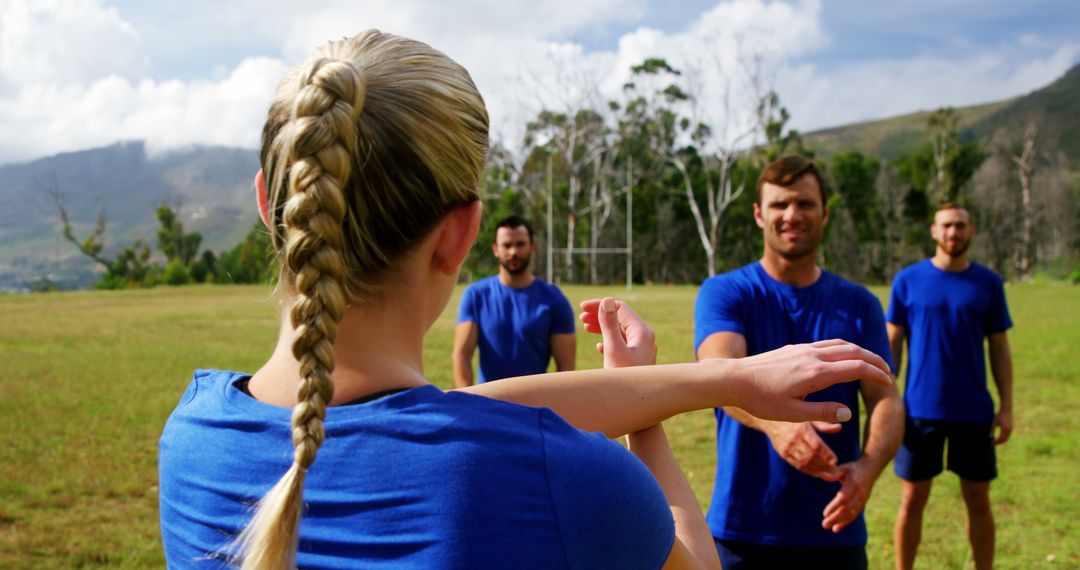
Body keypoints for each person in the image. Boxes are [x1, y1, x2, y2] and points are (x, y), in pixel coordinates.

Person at [157, 31, 893, 569]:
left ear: (268, 203)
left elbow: (461, 416)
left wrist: (708, 381)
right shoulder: (560, 479)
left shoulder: (189, 437)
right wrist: (649, 426)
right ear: (462, 236)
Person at [694, 155, 904, 569]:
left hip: (835, 529)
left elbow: (886, 400)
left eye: (805, 204)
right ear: (758, 214)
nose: (792, 215)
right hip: (743, 528)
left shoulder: (859, 304)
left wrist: (868, 468)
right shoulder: (725, 292)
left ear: (824, 213)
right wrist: (776, 423)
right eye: (779, 204)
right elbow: (717, 373)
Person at [888, 202, 1014, 570]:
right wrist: (886, 398)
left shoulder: (988, 283)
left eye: (960, 226)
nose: (953, 233)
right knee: (912, 499)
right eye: (946, 226)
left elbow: (1000, 347)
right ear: (933, 231)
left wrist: (1006, 406)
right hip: (919, 411)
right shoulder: (908, 281)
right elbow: (891, 341)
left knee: (979, 500)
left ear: (971, 230)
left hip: (973, 412)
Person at [452, 215, 575, 387]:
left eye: (520, 244)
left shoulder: (554, 299)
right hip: (489, 405)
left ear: (532, 246)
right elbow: (462, 355)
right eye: (507, 245)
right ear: (496, 249)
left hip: (535, 407)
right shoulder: (475, 295)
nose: (513, 252)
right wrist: (467, 403)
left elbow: (566, 368)